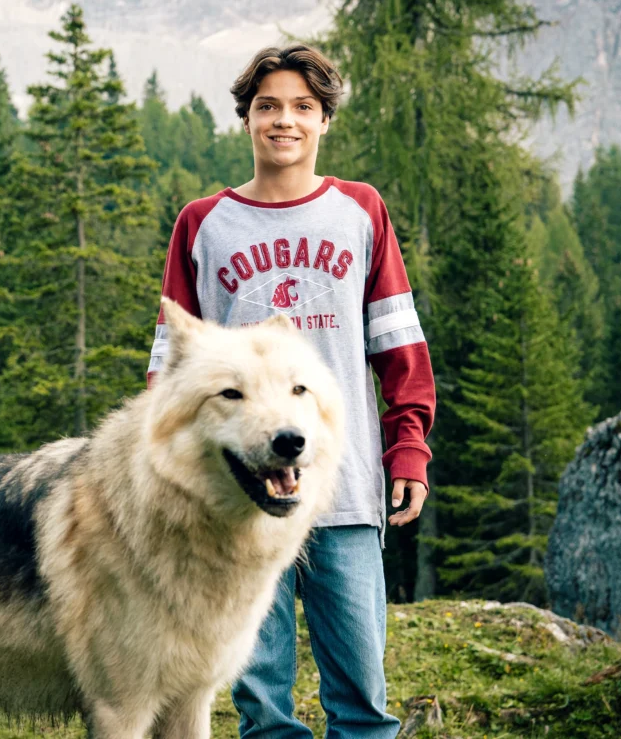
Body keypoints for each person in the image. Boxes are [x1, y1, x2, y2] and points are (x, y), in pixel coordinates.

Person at [145, 44, 436, 737]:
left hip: (341, 489)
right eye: (268, 106)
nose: (285, 121)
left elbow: (398, 347)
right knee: (262, 701)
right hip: (238, 504)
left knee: (362, 697)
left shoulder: (360, 212)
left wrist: (410, 449)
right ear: (246, 118)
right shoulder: (203, 223)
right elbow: (171, 370)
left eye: (303, 107)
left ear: (325, 120)